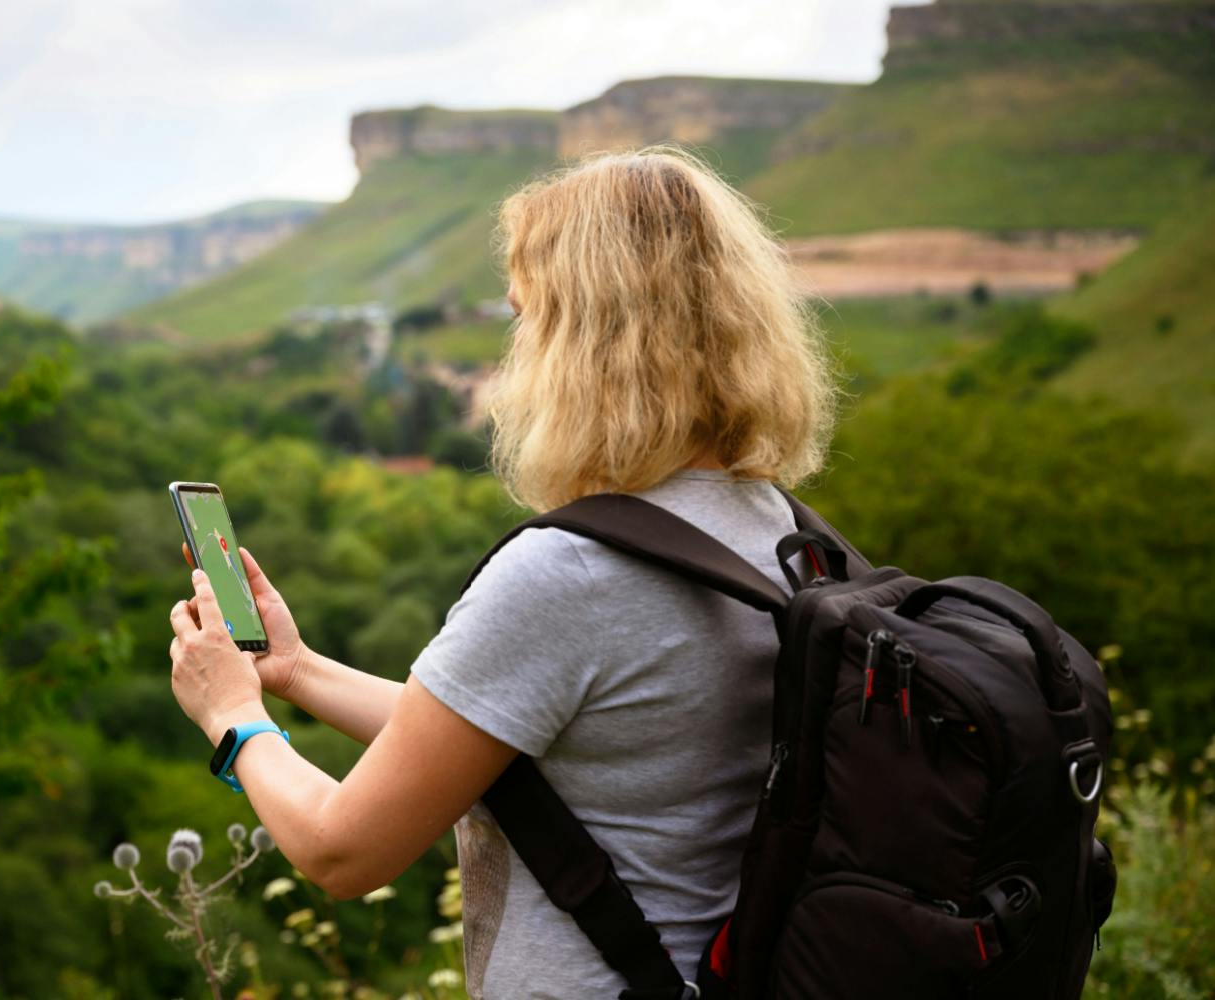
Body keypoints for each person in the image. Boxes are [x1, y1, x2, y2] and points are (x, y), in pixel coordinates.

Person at [167, 147, 837, 999]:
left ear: (582, 339)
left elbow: (341, 851)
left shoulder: (572, 573)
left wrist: (232, 716)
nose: (512, 350)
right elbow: (492, 741)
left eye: (526, 318)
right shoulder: (777, 533)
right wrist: (295, 670)